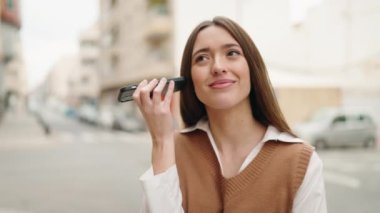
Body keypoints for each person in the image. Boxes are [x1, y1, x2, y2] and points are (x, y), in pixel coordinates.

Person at [133, 16, 327, 213]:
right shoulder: (170, 151)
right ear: (190, 79)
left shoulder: (301, 161)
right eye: (202, 58)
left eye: (232, 53)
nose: (217, 67)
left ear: (252, 67)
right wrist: (161, 141)